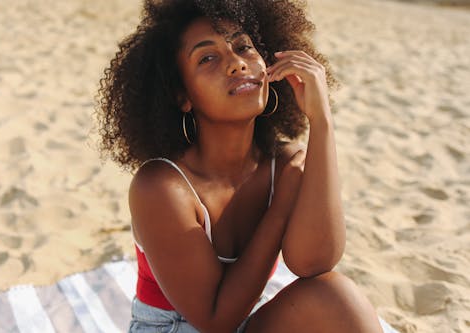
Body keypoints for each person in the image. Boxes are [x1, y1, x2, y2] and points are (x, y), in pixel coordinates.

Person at [97, 0, 383, 332]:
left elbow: (314, 263)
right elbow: (215, 320)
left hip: (247, 320)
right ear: (182, 96)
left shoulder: (285, 164)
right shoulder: (162, 187)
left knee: (336, 297)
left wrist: (321, 122)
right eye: (207, 58)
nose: (236, 64)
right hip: (178, 326)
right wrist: (280, 209)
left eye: (243, 46)